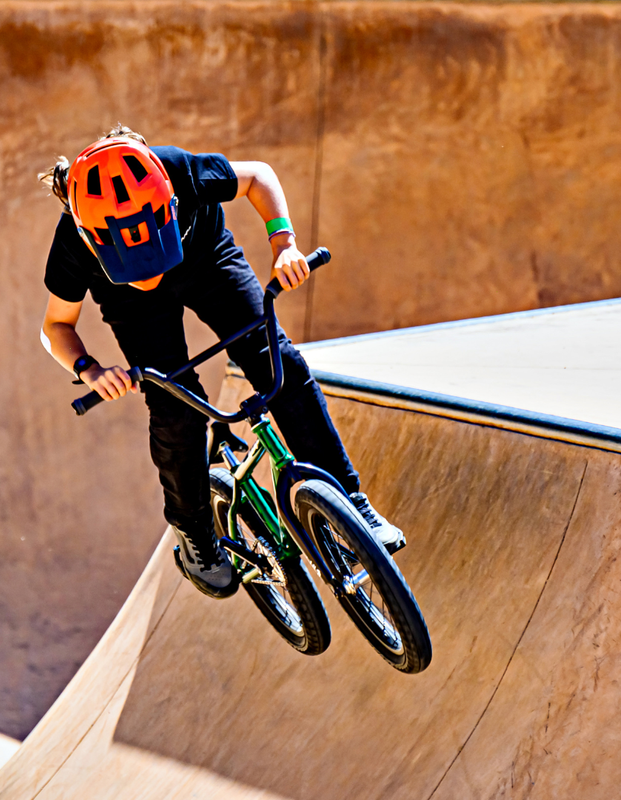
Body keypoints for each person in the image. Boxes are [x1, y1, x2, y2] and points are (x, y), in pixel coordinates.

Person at [39, 124, 404, 600]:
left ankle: (352, 501)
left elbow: (258, 177)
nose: (152, 275)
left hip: (208, 262)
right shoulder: (72, 242)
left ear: (168, 201)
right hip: (134, 310)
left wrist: (284, 244)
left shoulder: (181, 171)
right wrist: (89, 369)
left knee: (280, 366)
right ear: (93, 237)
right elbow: (55, 328)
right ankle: (195, 534)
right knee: (178, 410)